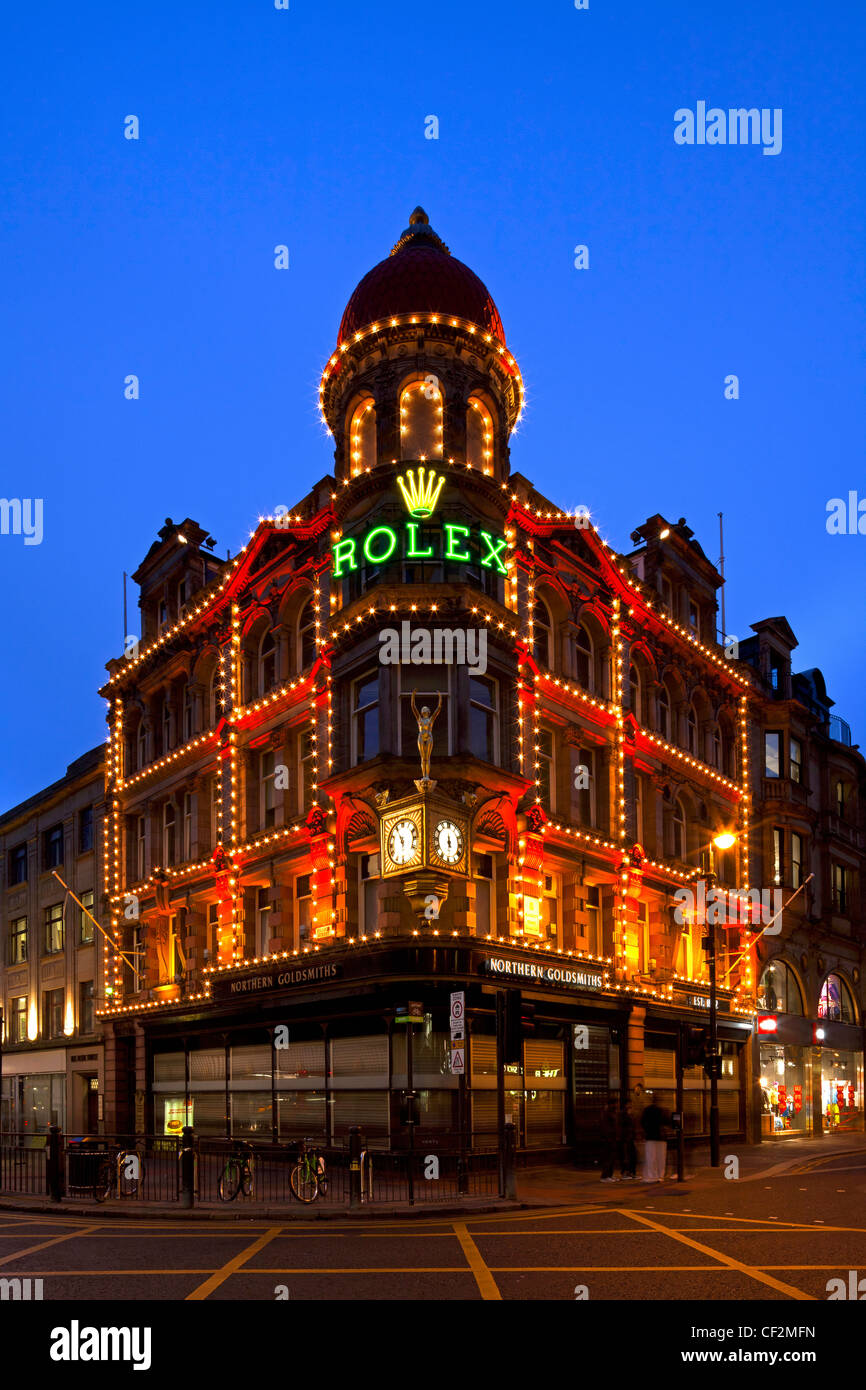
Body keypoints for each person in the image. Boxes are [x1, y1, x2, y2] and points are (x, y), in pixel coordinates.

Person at [641, 1093, 668, 1183]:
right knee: (661, 1157)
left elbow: (643, 1122)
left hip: (651, 1136)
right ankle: (660, 1175)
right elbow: (667, 1122)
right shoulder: (663, 1110)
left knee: (651, 1157)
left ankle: (652, 1175)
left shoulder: (647, 1110)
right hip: (661, 1137)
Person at [599, 1100, 619, 1182]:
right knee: (608, 1157)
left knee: (612, 1158)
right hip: (609, 1139)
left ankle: (609, 1175)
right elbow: (606, 1127)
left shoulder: (612, 1113)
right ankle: (604, 1176)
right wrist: (609, 1137)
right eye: (615, 1103)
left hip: (613, 1138)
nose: (617, 1105)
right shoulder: (606, 1114)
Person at [618, 1101, 637, 1180]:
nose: (631, 1105)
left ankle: (631, 1172)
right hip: (625, 1138)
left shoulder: (630, 1114)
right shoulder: (623, 1114)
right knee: (626, 1156)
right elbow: (623, 1125)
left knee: (632, 1155)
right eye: (630, 1104)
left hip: (629, 1137)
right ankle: (625, 1172)